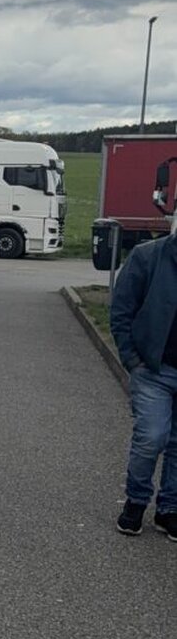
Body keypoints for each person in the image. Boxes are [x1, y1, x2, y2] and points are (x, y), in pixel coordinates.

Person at [110, 227, 177, 537]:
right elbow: (121, 310)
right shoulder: (148, 256)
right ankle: (136, 501)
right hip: (154, 369)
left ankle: (169, 509)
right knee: (151, 437)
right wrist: (133, 360)